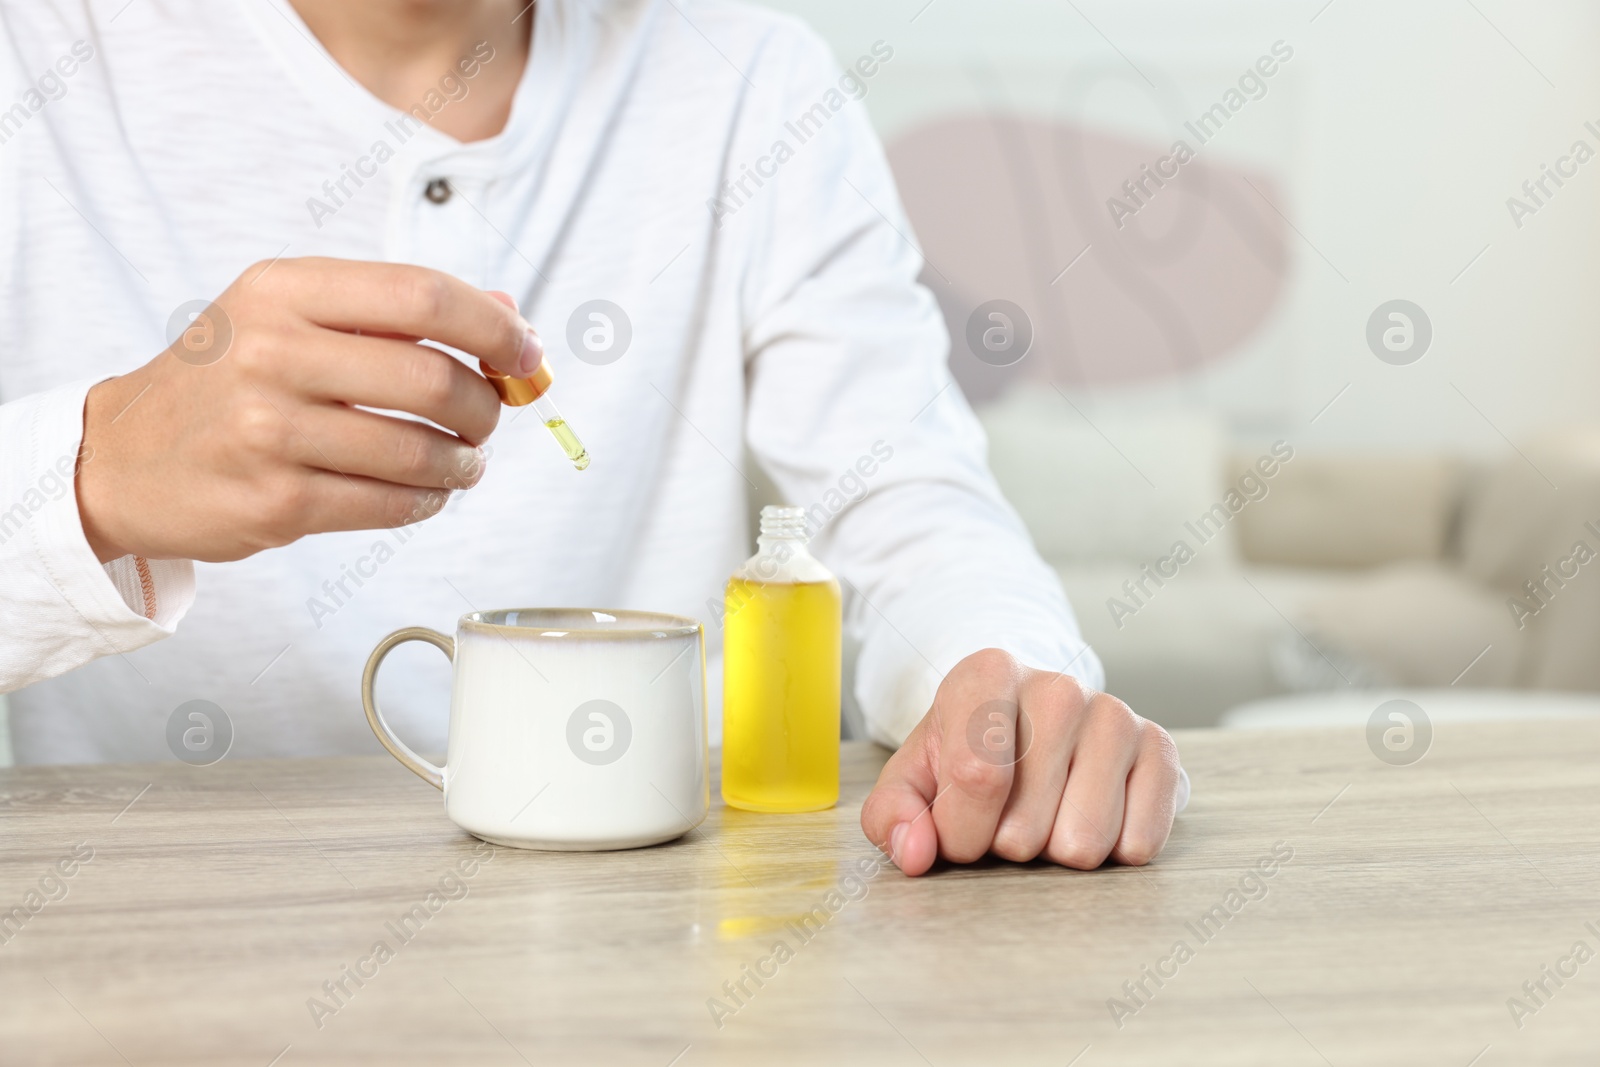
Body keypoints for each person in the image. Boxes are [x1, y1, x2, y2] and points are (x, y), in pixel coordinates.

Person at [0, 0, 1185, 875]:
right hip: (135, 926)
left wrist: (1000, 677)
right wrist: (95, 477)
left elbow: (912, 505)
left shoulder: (750, 81)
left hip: (651, 919)